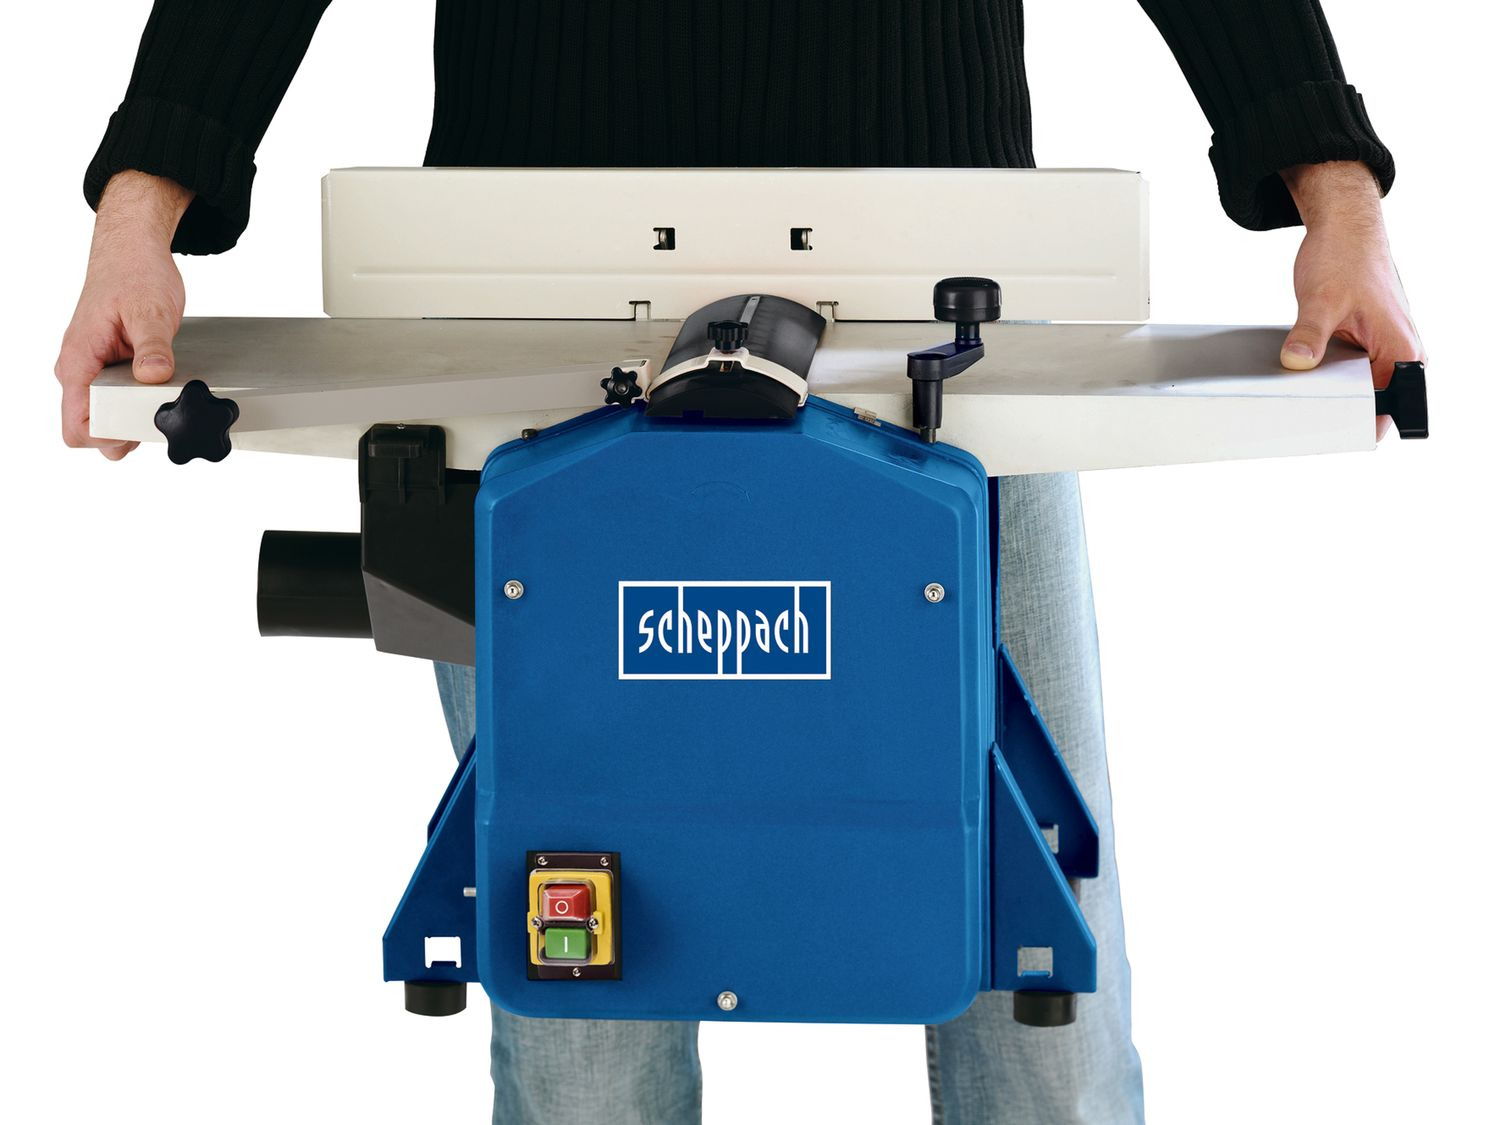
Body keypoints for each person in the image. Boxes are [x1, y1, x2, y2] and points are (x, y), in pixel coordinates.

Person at [55, 3, 1423, 1122]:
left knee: (1034, 980)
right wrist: (139, 212)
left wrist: (1335, 187)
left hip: (947, 322)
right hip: (523, 314)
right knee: (580, 984)